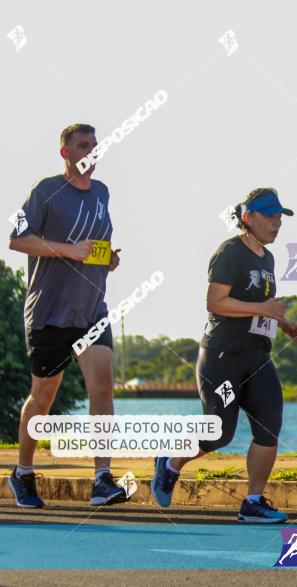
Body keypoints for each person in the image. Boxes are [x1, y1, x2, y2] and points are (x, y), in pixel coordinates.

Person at [150, 187, 297, 523]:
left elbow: (255, 309)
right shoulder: (230, 252)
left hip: (257, 356)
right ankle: (170, 462)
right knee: (219, 433)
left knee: (270, 425)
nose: (277, 223)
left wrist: (284, 321)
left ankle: (252, 501)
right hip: (223, 357)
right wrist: (262, 307)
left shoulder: (268, 258)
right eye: (270, 216)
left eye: (281, 217)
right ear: (247, 218)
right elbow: (215, 302)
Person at [7, 123, 126, 508]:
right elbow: (16, 239)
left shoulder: (103, 193)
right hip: (48, 312)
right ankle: (23, 473)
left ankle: (102, 479)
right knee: (42, 399)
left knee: (103, 388)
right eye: (83, 145)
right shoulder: (46, 191)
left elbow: (93, 246)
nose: (91, 151)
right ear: (65, 152)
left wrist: (107, 258)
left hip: (91, 309)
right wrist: (70, 251)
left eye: (95, 145)